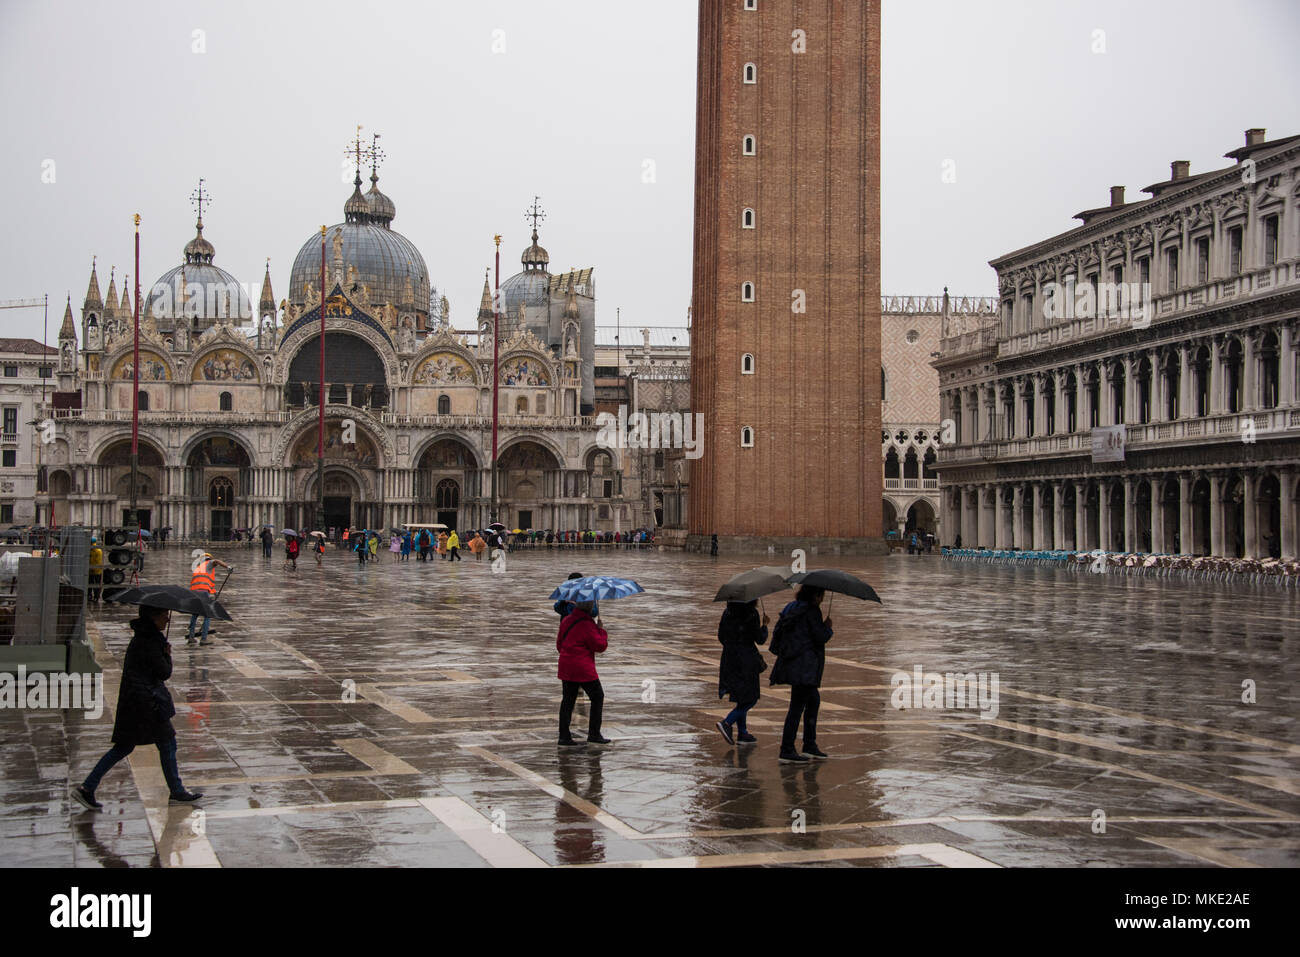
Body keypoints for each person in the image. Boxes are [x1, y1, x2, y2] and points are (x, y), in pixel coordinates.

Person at [71, 604, 203, 810]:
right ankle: (177, 791)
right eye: (164, 615)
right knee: (167, 744)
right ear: (153, 617)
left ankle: (88, 787)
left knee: (125, 747)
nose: (167, 619)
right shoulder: (150, 642)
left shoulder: (143, 638)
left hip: (136, 701)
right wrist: (167, 654)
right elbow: (164, 672)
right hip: (148, 703)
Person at [769, 585, 833, 762]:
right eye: (821, 596)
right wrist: (828, 628)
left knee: (813, 701)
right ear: (815, 595)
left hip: (791, 662)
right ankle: (787, 749)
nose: (822, 600)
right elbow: (820, 637)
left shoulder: (791, 607)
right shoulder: (812, 611)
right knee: (796, 707)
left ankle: (809, 744)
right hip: (805, 665)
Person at [556, 600, 610, 746]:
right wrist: (601, 631)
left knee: (568, 700)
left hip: (566, 665)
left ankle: (564, 736)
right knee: (597, 696)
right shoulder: (587, 624)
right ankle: (594, 733)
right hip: (582, 667)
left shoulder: (567, 620)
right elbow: (600, 646)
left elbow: (559, 644)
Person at [715, 599, 768, 745]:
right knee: (750, 698)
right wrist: (765, 626)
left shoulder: (727, 613)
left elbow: (721, 636)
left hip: (729, 659)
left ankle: (742, 732)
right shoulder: (751, 614)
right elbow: (760, 639)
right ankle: (727, 722)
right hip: (746, 660)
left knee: (741, 696)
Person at [187, 553, 230, 645]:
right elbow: (217, 561)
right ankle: (203, 639)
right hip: (203, 592)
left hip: (194, 592)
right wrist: (228, 567)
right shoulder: (209, 563)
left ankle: (191, 637)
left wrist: (214, 592)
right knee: (207, 615)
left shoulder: (199, 568)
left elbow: (206, 582)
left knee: (195, 614)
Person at [88, 537, 104, 603]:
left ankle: (96, 597)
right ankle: (90, 596)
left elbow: (98, 562)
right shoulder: (90, 550)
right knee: (90, 584)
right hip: (91, 570)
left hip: (96, 571)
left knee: (96, 584)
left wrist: (93, 569)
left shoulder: (98, 551)